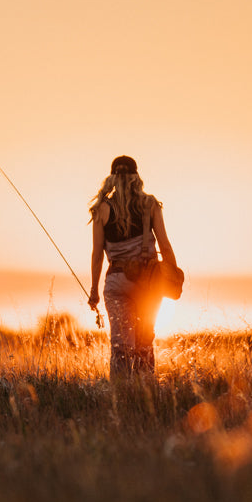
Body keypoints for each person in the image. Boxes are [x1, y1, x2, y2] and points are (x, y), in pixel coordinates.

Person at [88, 155, 177, 379]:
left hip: (117, 281)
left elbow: (97, 255)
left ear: (111, 178)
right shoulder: (150, 205)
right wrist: (173, 277)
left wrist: (94, 291)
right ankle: (145, 391)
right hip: (149, 282)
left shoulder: (101, 209)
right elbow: (165, 246)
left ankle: (120, 391)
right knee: (145, 343)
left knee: (121, 346)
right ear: (136, 177)